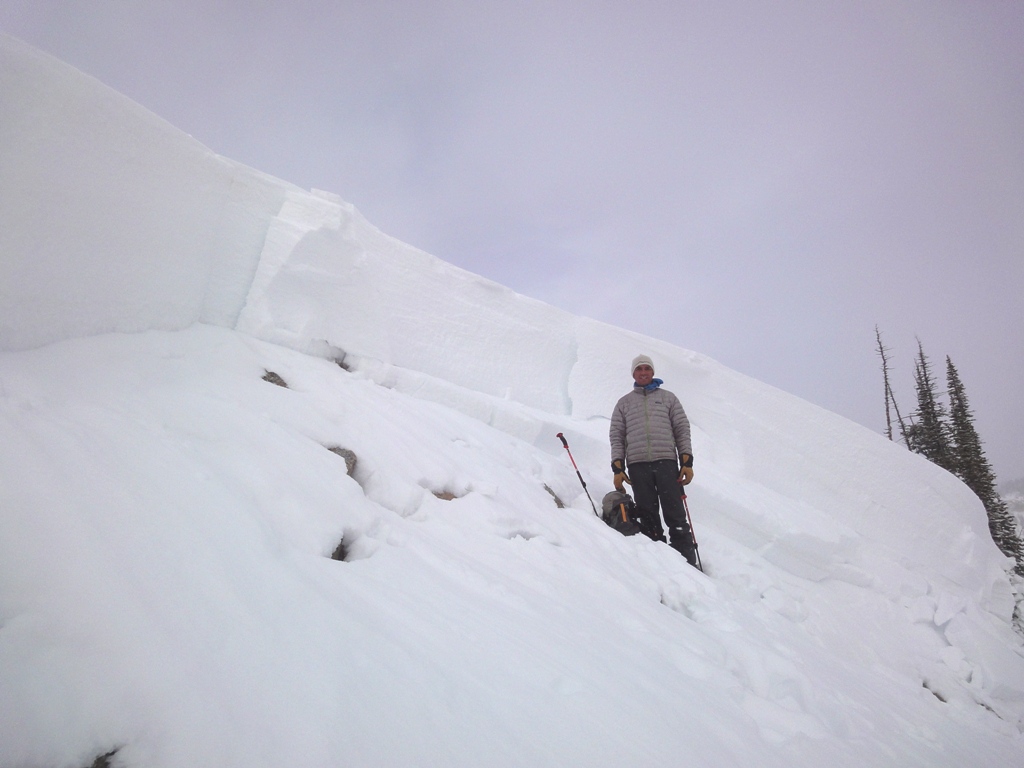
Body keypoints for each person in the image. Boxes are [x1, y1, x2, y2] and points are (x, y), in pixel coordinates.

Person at [609, 354, 696, 565]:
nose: (643, 372)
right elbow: (616, 435)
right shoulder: (624, 403)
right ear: (633, 373)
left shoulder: (668, 398)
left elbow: (682, 429)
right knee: (647, 515)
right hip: (638, 466)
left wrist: (686, 461)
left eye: (647, 368)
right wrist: (618, 467)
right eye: (639, 369)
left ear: (653, 372)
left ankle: (687, 562)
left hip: (666, 461)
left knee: (675, 513)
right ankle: (660, 564)